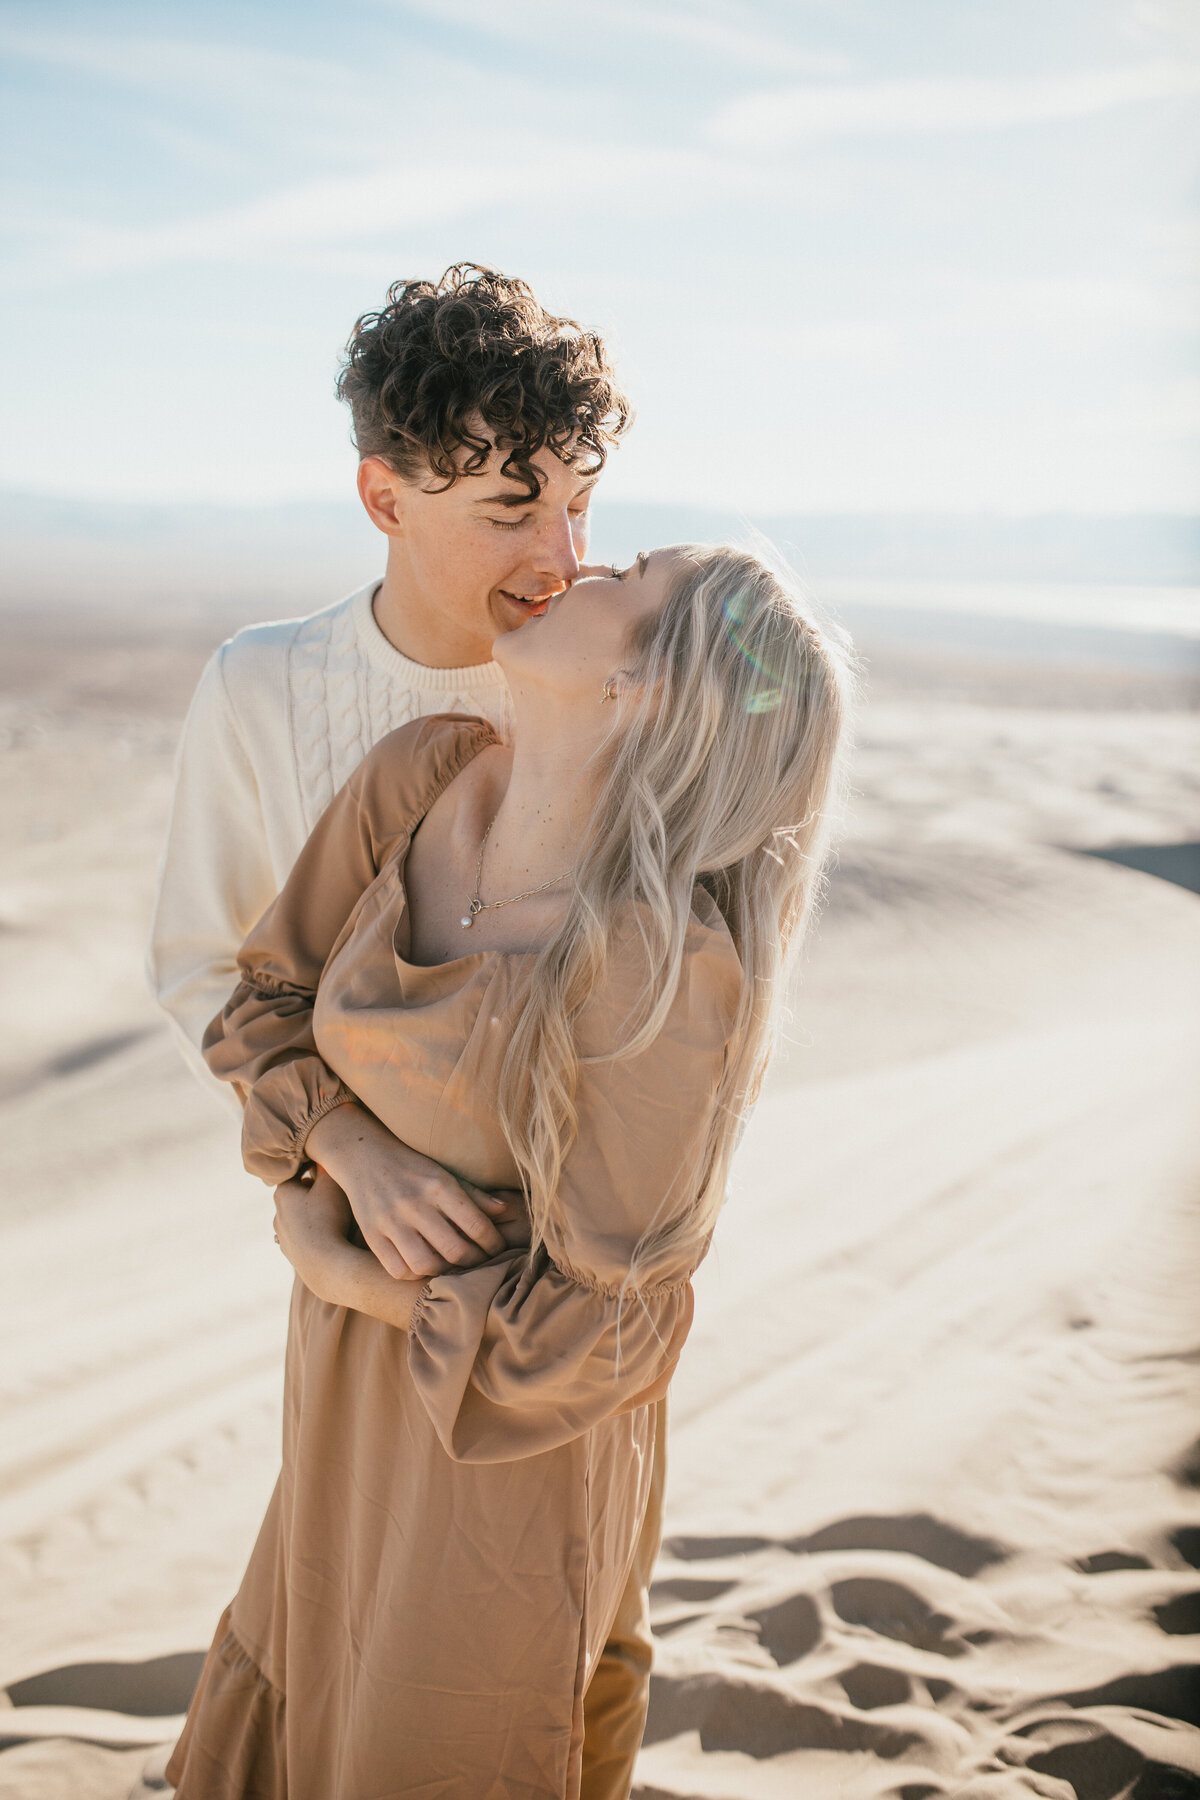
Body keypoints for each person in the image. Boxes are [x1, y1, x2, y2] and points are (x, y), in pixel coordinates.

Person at [164, 541, 853, 1798]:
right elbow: (263, 999)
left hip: (496, 1478)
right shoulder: (421, 779)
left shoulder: (654, 967)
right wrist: (348, 1153)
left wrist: (345, 1274)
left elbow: (600, 1336)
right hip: (340, 1405)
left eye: (626, 576)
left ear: (641, 683)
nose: (580, 561)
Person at [147, 265, 672, 1794]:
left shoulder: (607, 682)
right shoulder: (265, 688)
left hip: (579, 1282)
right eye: (512, 507)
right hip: (371, 1254)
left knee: (590, 1634)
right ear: (384, 493)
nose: (563, 553)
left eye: (580, 499)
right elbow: (209, 973)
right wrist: (346, 1169)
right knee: (338, 1619)